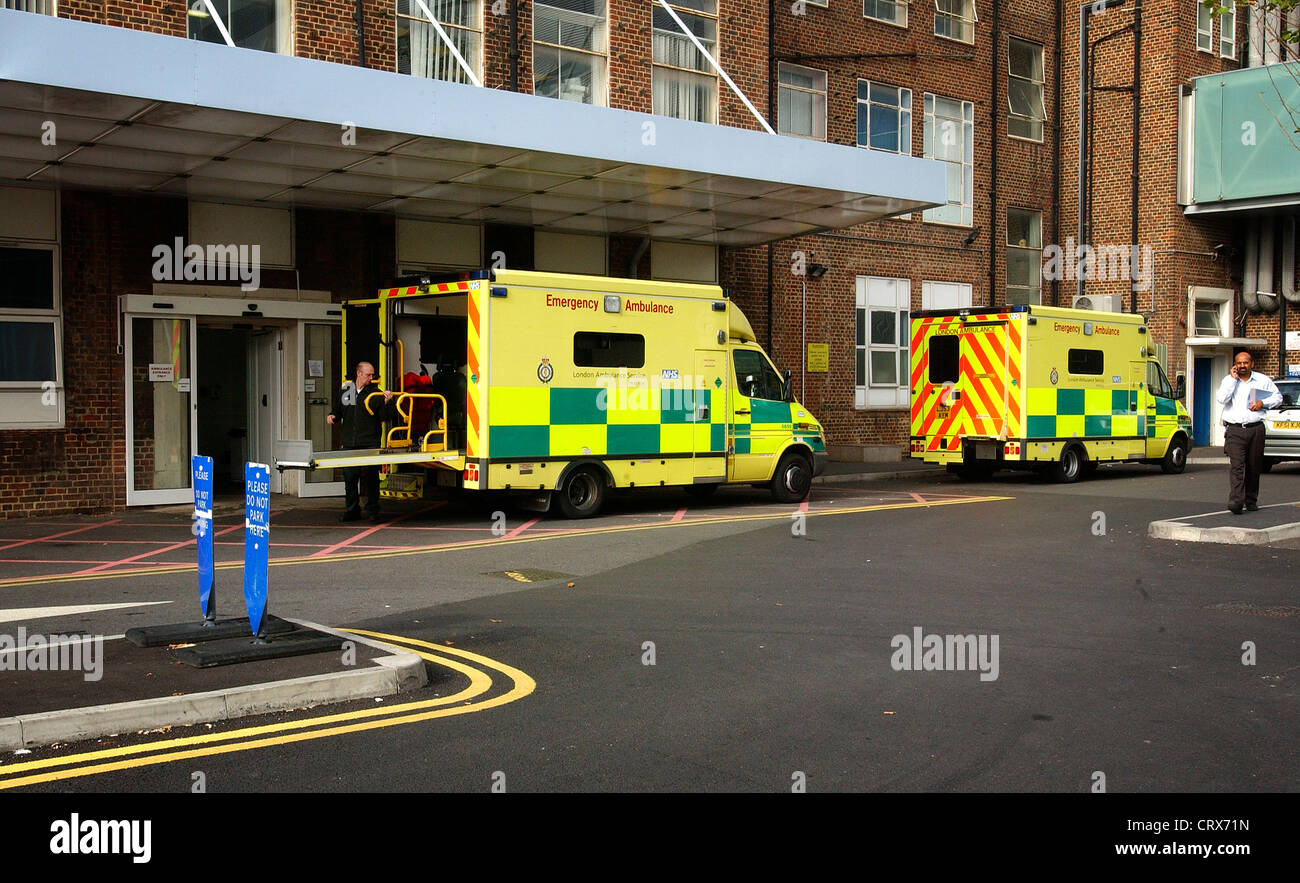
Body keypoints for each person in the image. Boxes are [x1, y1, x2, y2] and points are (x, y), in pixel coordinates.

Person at [327, 362, 395, 522]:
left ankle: (373, 511)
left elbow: (385, 417)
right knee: (350, 477)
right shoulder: (347, 390)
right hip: (350, 441)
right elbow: (340, 411)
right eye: (368, 375)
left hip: (370, 441)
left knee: (371, 478)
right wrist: (332, 416)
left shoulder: (375, 393)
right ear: (359, 373)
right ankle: (352, 510)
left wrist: (388, 402)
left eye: (373, 375)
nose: (371, 378)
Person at [1215, 350, 1281, 514]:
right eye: (1239, 363)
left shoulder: (1262, 380)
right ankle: (1236, 501)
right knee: (1237, 466)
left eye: (1245, 363)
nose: (1242, 366)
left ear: (1252, 364)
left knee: (1253, 466)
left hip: (1256, 429)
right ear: (1235, 365)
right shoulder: (1229, 380)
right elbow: (1222, 399)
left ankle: (1251, 500)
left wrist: (1262, 403)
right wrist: (1232, 380)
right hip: (1235, 430)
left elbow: (1278, 398)